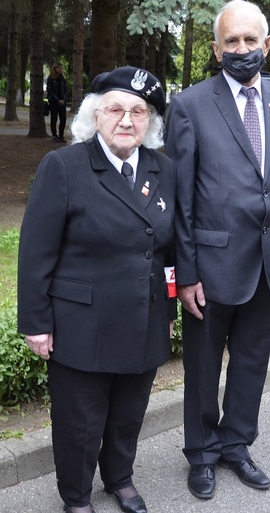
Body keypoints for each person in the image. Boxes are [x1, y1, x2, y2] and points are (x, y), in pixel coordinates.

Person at [165, 0, 270, 500]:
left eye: (251, 40)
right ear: (216, 48)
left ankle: (235, 445)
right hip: (211, 264)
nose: (242, 49)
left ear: (266, 45)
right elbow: (180, 200)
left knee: (252, 360)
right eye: (231, 41)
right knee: (203, 367)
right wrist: (184, 274)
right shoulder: (189, 105)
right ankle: (202, 453)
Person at [18, 66, 174, 513]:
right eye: (116, 109)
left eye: (139, 111)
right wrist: (35, 323)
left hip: (144, 315)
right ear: (94, 115)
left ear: (151, 121)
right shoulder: (64, 166)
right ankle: (76, 497)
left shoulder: (164, 169)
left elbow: (171, 243)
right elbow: (35, 252)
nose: (127, 120)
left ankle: (120, 479)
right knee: (80, 422)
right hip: (81, 322)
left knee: (128, 414)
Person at [47, 63, 69, 142]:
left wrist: (64, 99)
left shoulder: (63, 78)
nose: (60, 69)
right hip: (54, 102)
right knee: (54, 118)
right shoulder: (51, 79)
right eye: (59, 68)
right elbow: (50, 91)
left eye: (61, 68)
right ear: (55, 69)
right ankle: (54, 135)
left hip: (62, 102)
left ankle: (61, 135)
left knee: (63, 119)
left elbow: (66, 90)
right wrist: (57, 100)